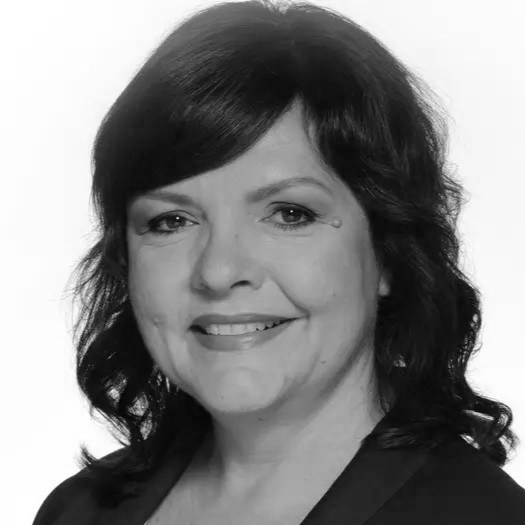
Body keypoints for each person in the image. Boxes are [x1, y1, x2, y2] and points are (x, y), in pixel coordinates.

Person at [33, 1, 525, 523]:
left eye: (290, 214)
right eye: (171, 221)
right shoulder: (77, 511)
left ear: (389, 252)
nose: (218, 271)